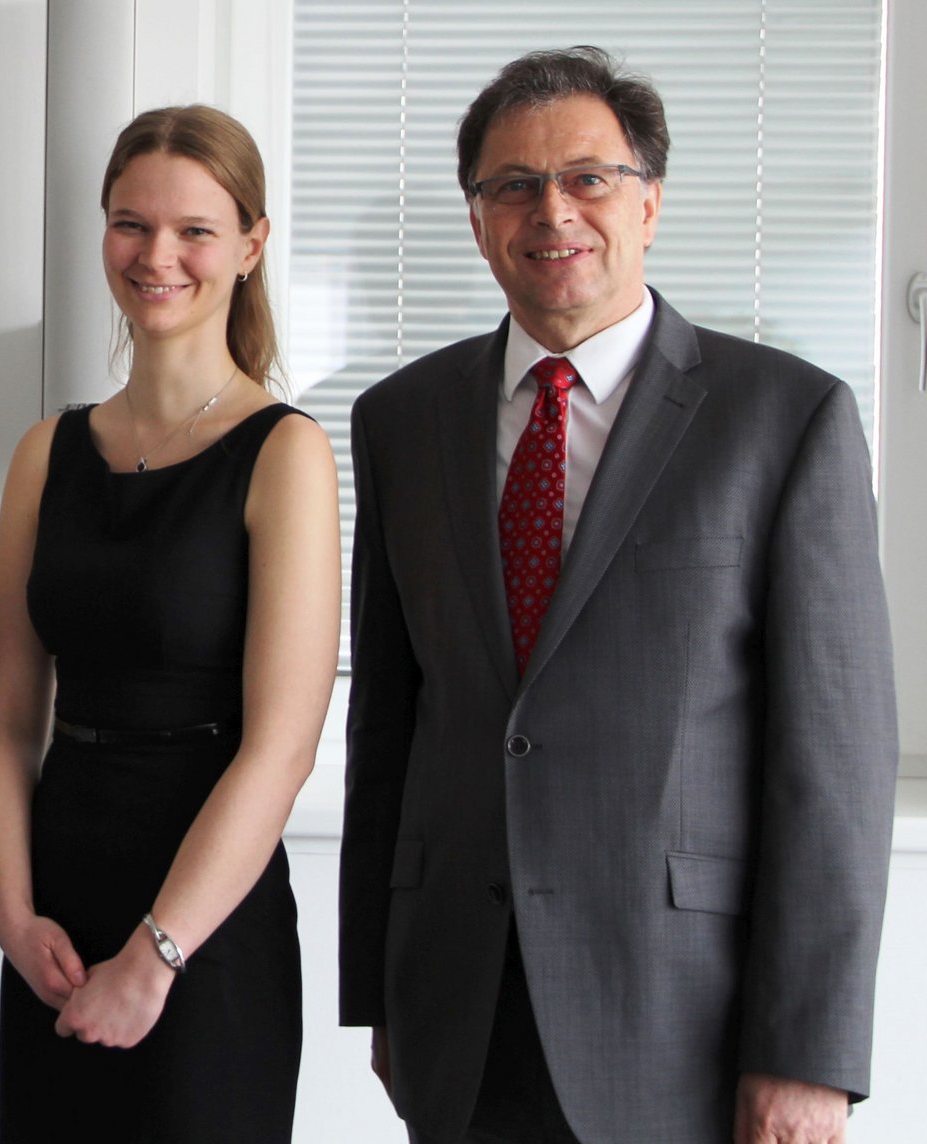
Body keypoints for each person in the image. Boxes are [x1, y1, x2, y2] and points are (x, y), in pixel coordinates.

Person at [340, 46, 899, 1144]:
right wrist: (379, 988)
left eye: (587, 177)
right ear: (477, 220)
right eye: (513, 185)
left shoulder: (785, 421)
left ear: (649, 203)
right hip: (459, 1005)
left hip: (684, 1020)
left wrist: (809, 1053)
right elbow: (390, 725)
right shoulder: (400, 421)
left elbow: (834, 762)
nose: (552, 210)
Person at [0, 105, 339, 1142]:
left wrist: (157, 955)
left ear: (250, 246)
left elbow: (282, 749)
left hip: (206, 925)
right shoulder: (48, 451)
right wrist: (10, 913)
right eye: (130, 224)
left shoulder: (286, 453)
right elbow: (6, 716)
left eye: (194, 230)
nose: (158, 256)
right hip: (56, 905)